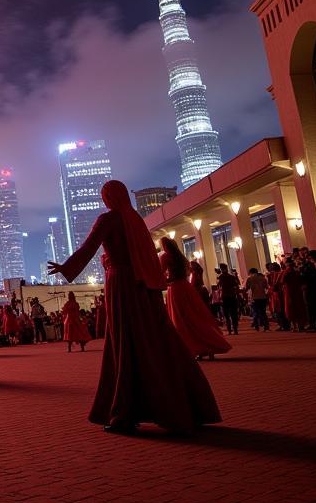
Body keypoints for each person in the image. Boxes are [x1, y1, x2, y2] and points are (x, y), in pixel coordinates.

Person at [48, 180, 221, 435]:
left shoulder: (108, 220)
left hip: (121, 285)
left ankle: (125, 413)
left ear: (108, 197)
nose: (104, 200)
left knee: (124, 342)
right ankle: (190, 404)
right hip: (143, 288)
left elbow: (88, 247)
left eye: (104, 196)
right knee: (158, 339)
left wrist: (67, 267)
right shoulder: (136, 220)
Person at [159, 237, 232, 360]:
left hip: (175, 289)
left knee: (181, 319)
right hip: (186, 288)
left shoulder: (165, 256)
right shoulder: (181, 257)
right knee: (194, 316)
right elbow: (185, 273)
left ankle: (193, 348)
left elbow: (160, 273)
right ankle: (207, 346)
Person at [279, 257, 307, 331]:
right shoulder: (297, 271)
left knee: (291, 308)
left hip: (289, 291)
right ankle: (300, 325)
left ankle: (295, 326)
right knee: (299, 307)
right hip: (297, 291)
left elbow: (282, 281)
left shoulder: (285, 272)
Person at [217, 264, 241, 335]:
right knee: (233, 314)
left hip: (226, 297)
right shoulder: (231, 277)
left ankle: (231, 329)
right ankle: (234, 329)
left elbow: (219, 287)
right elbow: (236, 286)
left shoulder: (221, 277)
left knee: (227, 314)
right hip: (231, 296)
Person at [245, 267, 270, 331]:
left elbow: (247, 288)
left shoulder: (250, 279)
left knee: (255, 312)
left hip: (255, 297)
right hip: (262, 297)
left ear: (250, 273)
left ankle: (257, 326)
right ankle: (266, 326)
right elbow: (266, 287)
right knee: (263, 312)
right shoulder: (263, 278)